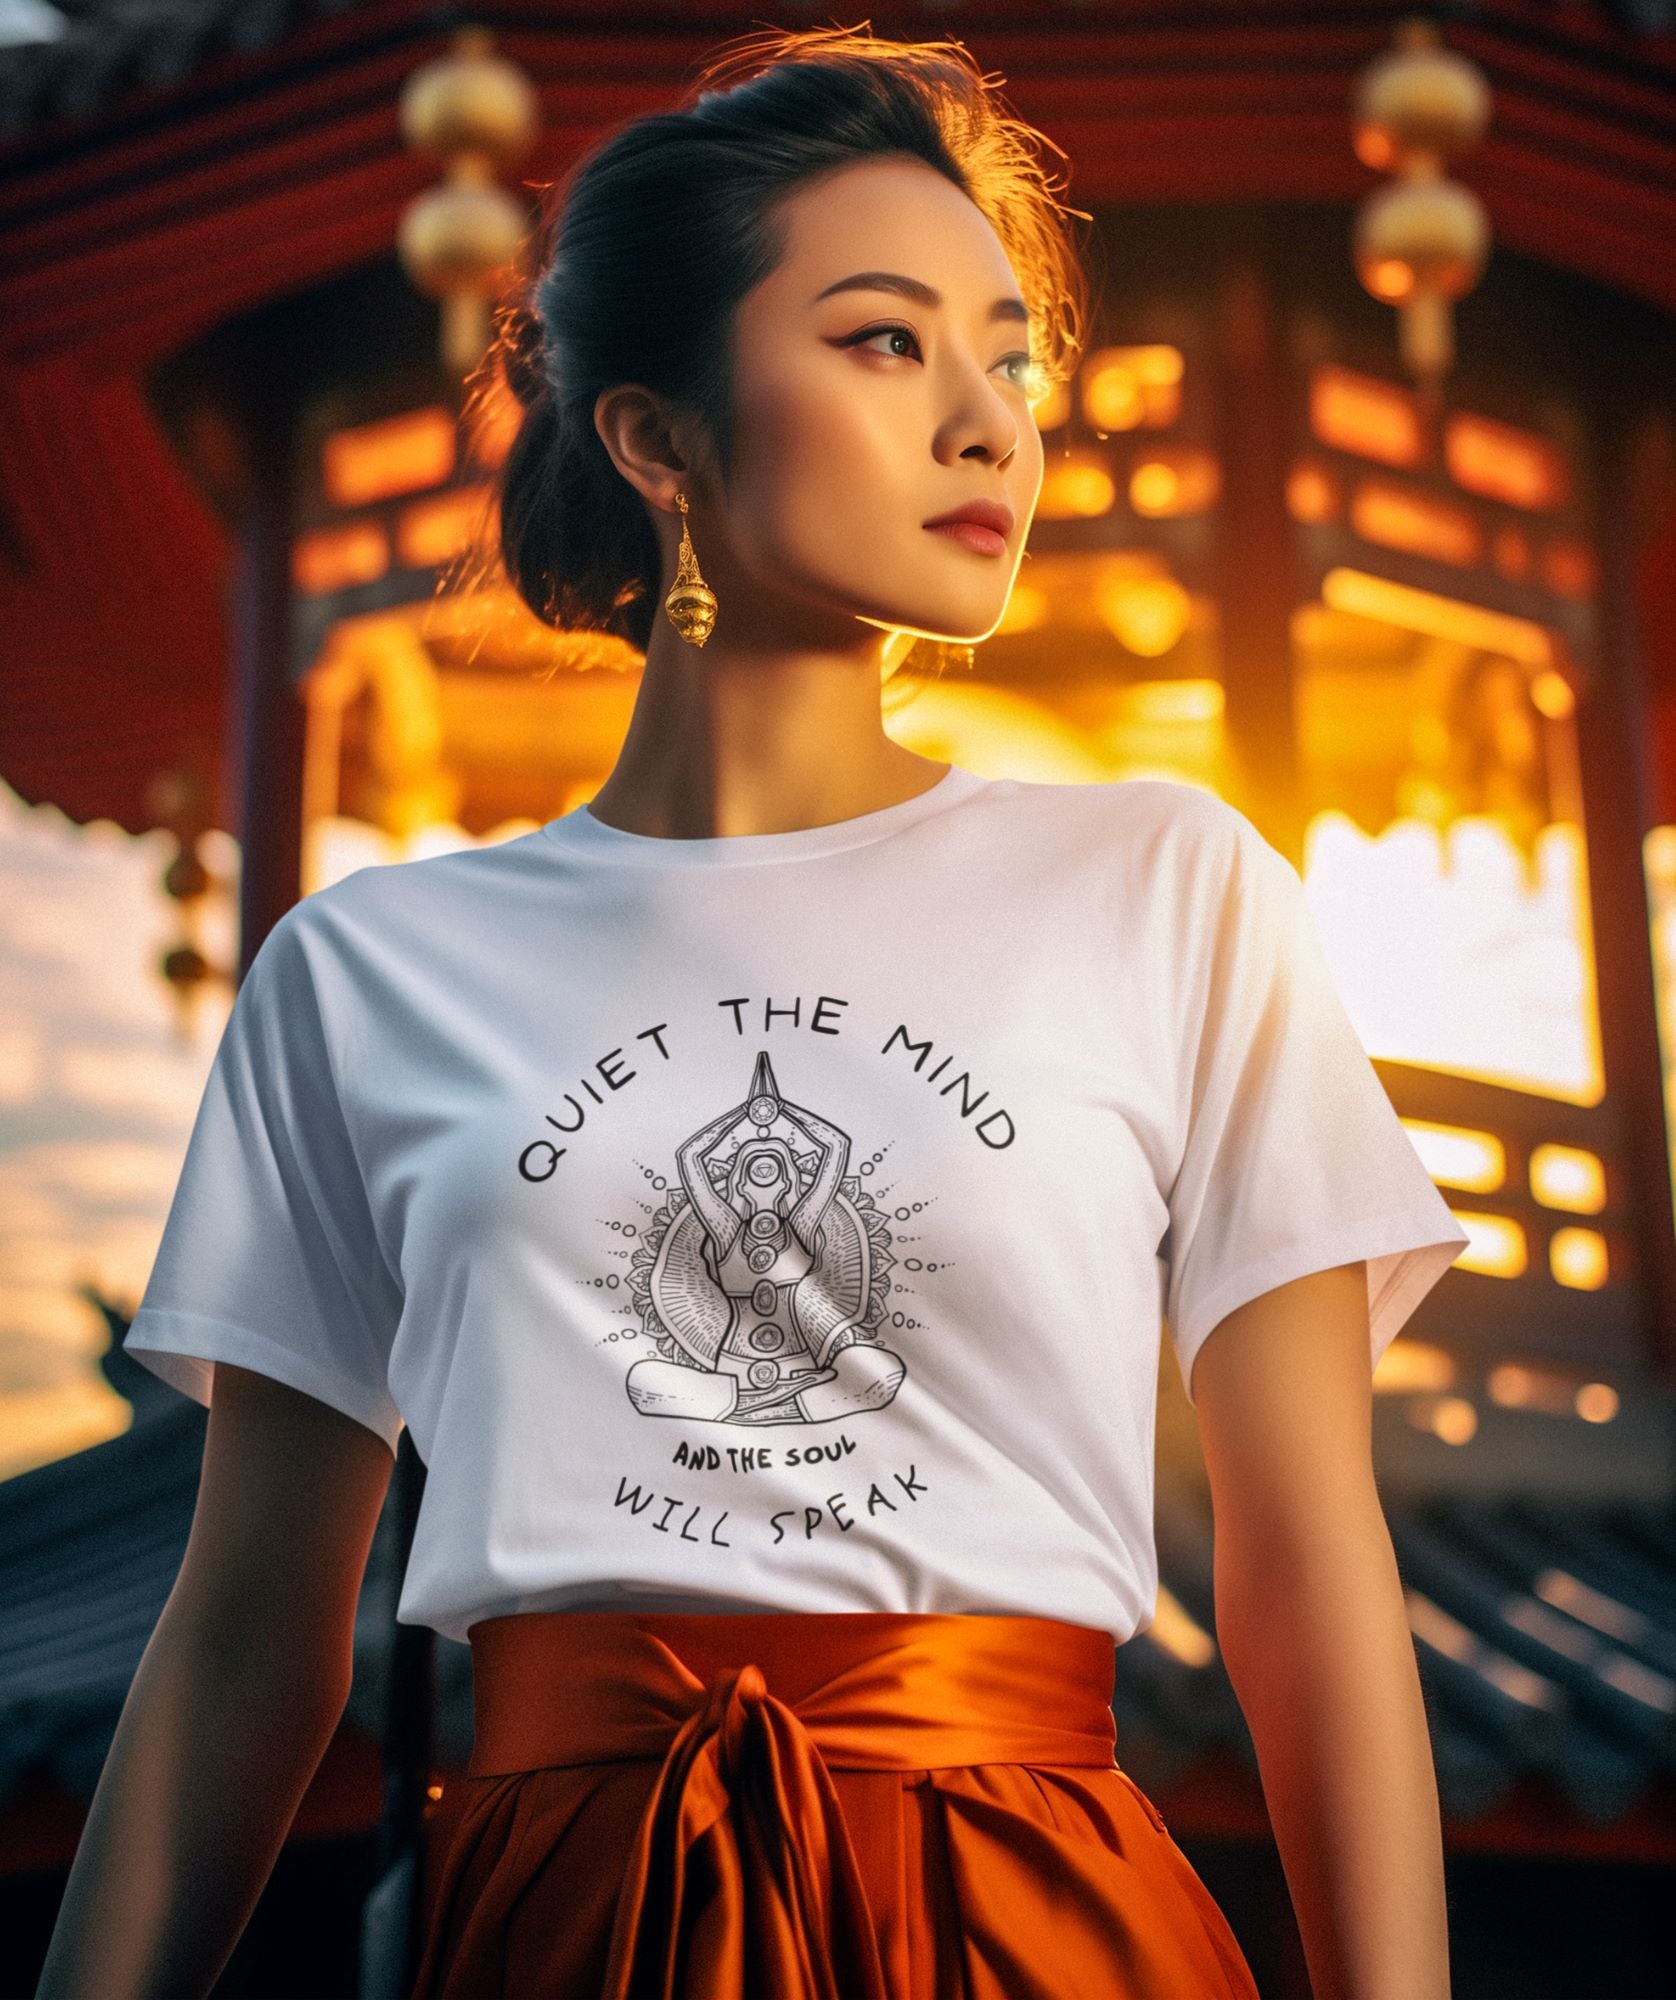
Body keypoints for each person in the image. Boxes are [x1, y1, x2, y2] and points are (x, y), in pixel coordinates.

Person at [36, 23, 1467, 2000]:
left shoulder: (1175, 887)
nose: (989, 423)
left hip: (1036, 1919)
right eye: (885, 340)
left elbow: (1308, 1569)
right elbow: (244, 1635)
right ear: (657, 434)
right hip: (557, 1925)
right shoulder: (369, 974)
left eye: (1010, 354)